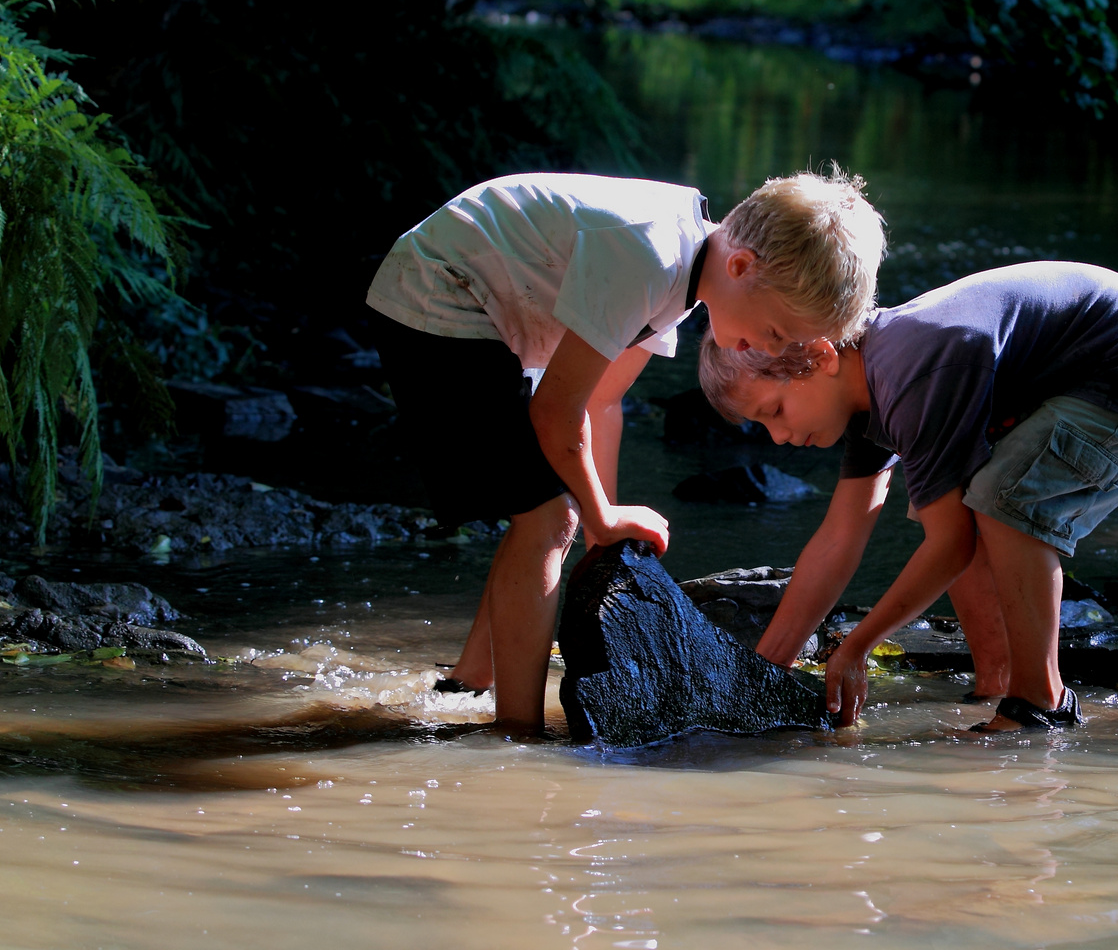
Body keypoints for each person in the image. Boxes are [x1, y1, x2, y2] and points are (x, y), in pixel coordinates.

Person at [366, 169, 885, 732]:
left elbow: (599, 404)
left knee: (553, 513)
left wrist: (598, 533)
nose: (769, 349)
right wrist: (596, 514)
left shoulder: (686, 279)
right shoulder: (650, 259)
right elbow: (556, 411)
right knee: (548, 517)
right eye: (778, 331)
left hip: (476, 308)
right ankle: (516, 733)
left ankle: (469, 681)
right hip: (440, 294)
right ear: (742, 267)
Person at [697, 261, 1118, 732]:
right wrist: (761, 678)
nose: (780, 438)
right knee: (954, 503)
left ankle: (1040, 702)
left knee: (1002, 498)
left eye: (773, 414)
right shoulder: (866, 392)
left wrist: (858, 645)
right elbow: (838, 539)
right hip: (1097, 375)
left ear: (819, 357)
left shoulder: (913, 371)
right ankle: (995, 680)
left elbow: (951, 548)